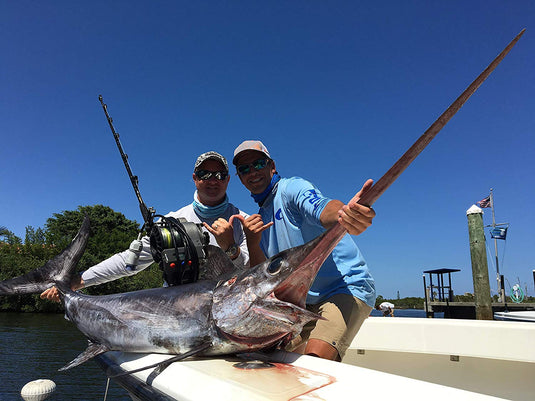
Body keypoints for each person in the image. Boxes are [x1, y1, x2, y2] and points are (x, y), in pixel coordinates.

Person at [231, 140, 376, 362]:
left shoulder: (291, 188)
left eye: (258, 163)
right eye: (244, 169)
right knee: (260, 355)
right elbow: (260, 278)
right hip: (303, 304)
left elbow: (322, 207)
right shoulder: (259, 222)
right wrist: (252, 241)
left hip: (344, 289)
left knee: (316, 361)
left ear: (272, 166)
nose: (252, 172)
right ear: (240, 178)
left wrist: (344, 214)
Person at [40, 151, 249, 300]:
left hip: (229, 310)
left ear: (228, 180)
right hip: (176, 310)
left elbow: (254, 274)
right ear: (195, 178)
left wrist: (231, 248)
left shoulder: (244, 220)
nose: (213, 180)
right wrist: (78, 281)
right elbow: (129, 262)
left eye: (219, 175)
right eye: (205, 174)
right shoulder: (171, 221)